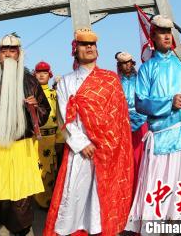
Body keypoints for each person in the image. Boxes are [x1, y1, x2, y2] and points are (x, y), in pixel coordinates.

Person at [44, 29, 134, 236]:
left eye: (93, 44)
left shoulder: (111, 79)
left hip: (109, 150)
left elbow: (120, 117)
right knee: (75, 194)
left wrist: (110, 144)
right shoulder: (66, 82)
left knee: (102, 198)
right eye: (84, 45)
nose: (90, 47)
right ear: (75, 50)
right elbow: (63, 118)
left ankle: (99, 229)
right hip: (81, 149)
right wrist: (81, 143)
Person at [0, 34, 51, 236]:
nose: (8, 55)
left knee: (19, 191)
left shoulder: (30, 82)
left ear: (19, 54)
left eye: (12, 51)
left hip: (20, 146)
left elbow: (45, 114)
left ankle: (19, 226)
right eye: (4, 51)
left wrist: (34, 108)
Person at [125, 15, 181, 232]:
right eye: (161, 32)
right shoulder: (147, 68)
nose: (167, 36)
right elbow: (140, 102)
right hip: (161, 137)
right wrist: (168, 103)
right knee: (159, 187)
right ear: (153, 36)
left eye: (169, 32)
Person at [115, 51, 148, 195]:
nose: (126, 65)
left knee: (142, 157)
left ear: (132, 63)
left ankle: (143, 190)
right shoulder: (116, 81)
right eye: (123, 63)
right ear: (119, 65)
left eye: (128, 62)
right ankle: (128, 191)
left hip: (142, 120)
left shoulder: (141, 78)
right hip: (123, 122)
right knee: (126, 159)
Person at [32, 61, 64, 209]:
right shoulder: (30, 94)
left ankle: (47, 201)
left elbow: (60, 116)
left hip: (51, 138)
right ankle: (32, 201)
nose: (41, 75)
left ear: (49, 75)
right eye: (39, 72)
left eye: (44, 72)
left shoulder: (54, 94)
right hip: (33, 139)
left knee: (49, 170)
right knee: (33, 169)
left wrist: (59, 139)